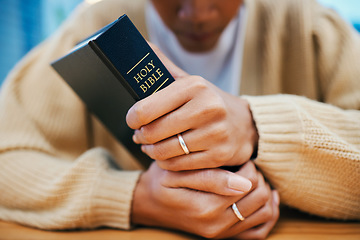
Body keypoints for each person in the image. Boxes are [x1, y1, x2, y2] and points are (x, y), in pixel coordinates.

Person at [0, 0, 359, 239]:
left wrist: (255, 126)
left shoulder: (308, 25)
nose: (198, 12)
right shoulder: (93, 22)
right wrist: (137, 198)